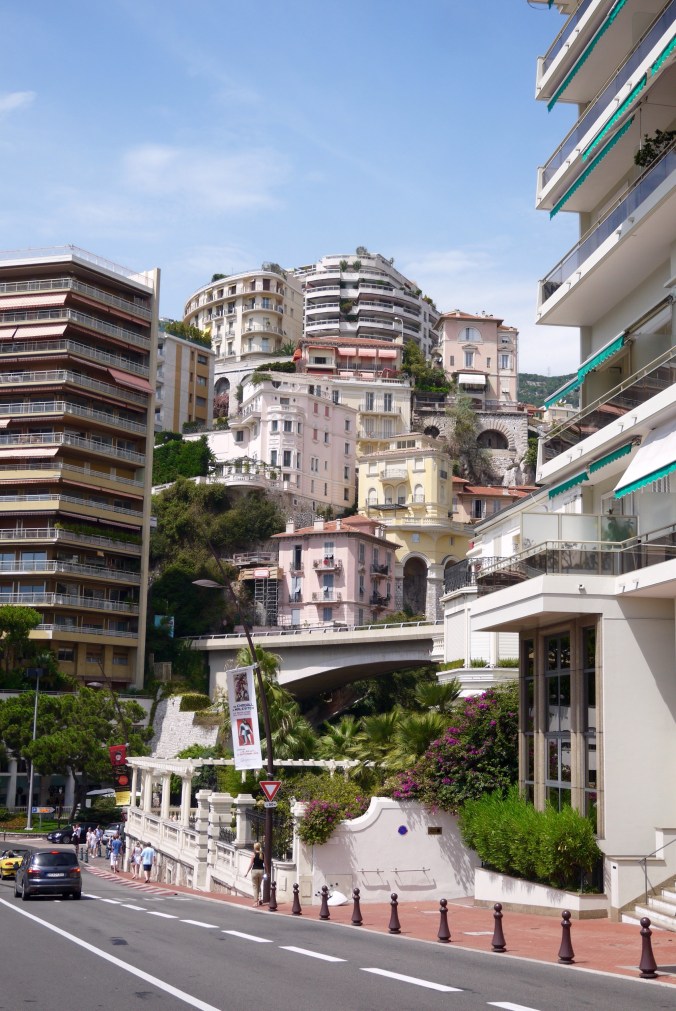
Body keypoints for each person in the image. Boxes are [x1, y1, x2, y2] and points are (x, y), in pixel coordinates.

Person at [245, 842, 265, 906]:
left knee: (255, 886)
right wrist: (267, 872)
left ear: (255, 847)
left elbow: (251, 864)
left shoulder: (253, 854)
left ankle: (256, 901)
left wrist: (247, 872)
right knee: (259, 885)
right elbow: (265, 864)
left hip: (254, 871)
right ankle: (260, 898)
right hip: (261, 871)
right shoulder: (262, 854)